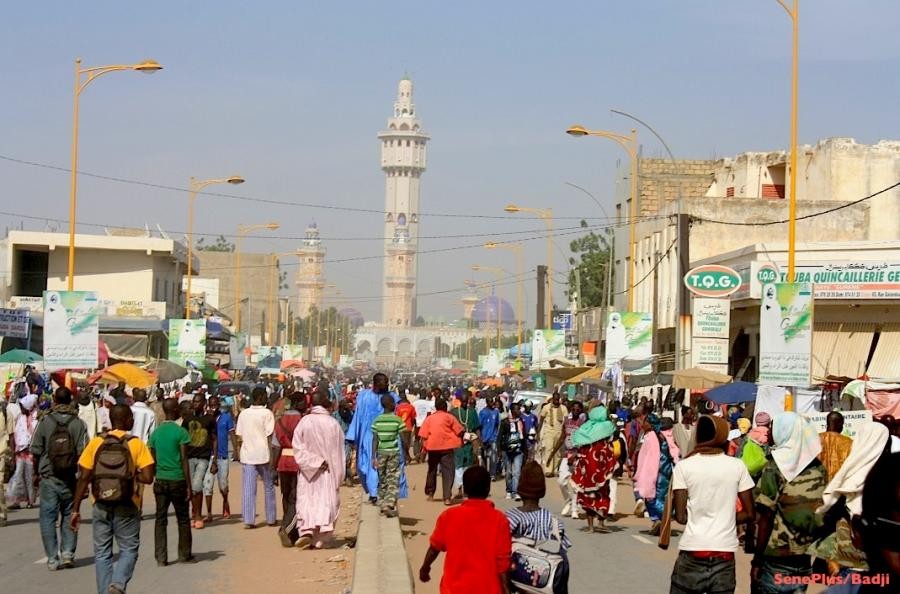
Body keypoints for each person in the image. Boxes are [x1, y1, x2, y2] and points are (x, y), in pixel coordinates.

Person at [71, 405, 155, 594]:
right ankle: (117, 584)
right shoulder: (136, 443)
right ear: (127, 420)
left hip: (100, 503)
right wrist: (131, 476)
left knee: (102, 553)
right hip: (127, 503)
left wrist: (75, 509)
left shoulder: (96, 443)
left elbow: (84, 476)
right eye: (131, 418)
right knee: (129, 549)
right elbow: (148, 477)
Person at [670, 415, 756, 594]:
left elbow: (681, 517)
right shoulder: (737, 466)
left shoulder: (684, 467)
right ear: (723, 436)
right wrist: (724, 518)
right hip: (724, 554)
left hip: (692, 551)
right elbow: (750, 513)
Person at [752, 412, 827, 593]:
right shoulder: (818, 468)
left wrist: (757, 560)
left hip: (776, 557)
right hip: (804, 556)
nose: (770, 431)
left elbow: (766, 517)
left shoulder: (774, 467)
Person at [811, 422, 890, 578]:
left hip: (850, 558)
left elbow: (827, 506)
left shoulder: (848, 475)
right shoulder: (890, 475)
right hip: (882, 559)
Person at [419, 466, 512, 594]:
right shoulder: (500, 520)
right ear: (488, 488)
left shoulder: (449, 516)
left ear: (465, 490)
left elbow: (435, 547)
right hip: (488, 589)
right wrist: (506, 590)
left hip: (453, 589)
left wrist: (425, 567)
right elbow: (502, 562)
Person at [29, 386, 88, 570]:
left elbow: (36, 450)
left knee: (47, 518)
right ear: (70, 399)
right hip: (70, 477)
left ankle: (53, 558)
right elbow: (83, 453)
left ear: (54, 399)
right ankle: (68, 553)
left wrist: (35, 473)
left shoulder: (45, 420)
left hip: (49, 476)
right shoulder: (78, 422)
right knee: (70, 513)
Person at [291, 391, 346, 549]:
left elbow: (298, 448)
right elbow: (339, 452)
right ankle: (319, 540)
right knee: (326, 503)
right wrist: (338, 473)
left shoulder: (304, 422)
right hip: (329, 472)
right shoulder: (333, 424)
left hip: (309, 473)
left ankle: (307, 531)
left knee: (307, 502)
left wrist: (313, 462)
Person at [506, 461, 571, 594]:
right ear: (542, 491)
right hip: (544, 586)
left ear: (520, 489)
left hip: (518, 587)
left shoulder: (510, 518)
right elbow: (563, 557)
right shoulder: (554, 522)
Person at [148, 398, 193, 566]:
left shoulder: (156, 433)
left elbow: (151, 456)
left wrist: (156, 473)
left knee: (160, 519)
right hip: (177, 480)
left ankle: (161, 557)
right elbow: (184, 459)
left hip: (161, 480)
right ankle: (184, 555)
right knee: (182, 518)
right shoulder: (181, 432)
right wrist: (188, 485)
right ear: (175, 411)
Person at [347, 373, 404, 504]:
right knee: (368, 465)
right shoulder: (364, 396)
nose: (385, 386)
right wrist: (352, 436)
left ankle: (376, 493)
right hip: (368, 435)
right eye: (383, 383)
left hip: (389, 436)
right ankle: (375, 492)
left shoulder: (392, 397)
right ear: (375, 383)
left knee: (387, 466)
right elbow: (358, 416)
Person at [565, 404, 617, 532]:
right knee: (603, 494)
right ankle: (601, 523)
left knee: (587, 495)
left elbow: (579, 447)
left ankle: (590, 526)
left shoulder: (585, 428)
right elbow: (610, 446)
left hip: (586, 469)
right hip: (601, 467)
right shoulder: (607, 427)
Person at [235, 386, 276, 529]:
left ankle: (249, 520)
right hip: (264, 454)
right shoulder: (267, 413)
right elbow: (270, 436)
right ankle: (271, 518)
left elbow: (239, 434)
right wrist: (272, 457)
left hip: (248, 455)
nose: (266, 398)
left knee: (248, 488)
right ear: (260, 397)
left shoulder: (244, 414)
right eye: (265, 396)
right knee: (269, 487)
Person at [271, 392, 304, 546]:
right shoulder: (302, 421)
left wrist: (273, 468)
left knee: (286, 496)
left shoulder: (279, 421)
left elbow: (276, 447)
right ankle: (288, 528)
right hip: (298, 461)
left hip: (283, 462)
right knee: (296, 498)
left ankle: (289, 526)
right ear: (298, 404)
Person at [180, 393, 217, 529]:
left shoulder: (210, 419)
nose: (195, 404)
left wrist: (215, 459)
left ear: (203, 403)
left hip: (203, 457)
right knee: (190, 487)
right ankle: (194, 512)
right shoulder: (187, 419)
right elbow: (182, 440)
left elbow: (214, 439)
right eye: (193, 402)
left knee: (197, 485)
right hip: (189, 457)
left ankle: (198, 516)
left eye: (197, 402)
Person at [634, 413, 675, 535]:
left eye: (645, 422)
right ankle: (660, 520)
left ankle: (660, 519)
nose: (642, 424)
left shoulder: (649, 436)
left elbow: (644, 455)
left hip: (653, 471)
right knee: (661, 497)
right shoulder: (666, 436)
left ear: (650, 424)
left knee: (650, 497)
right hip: (665, 471)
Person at [419, 398, 465, 505]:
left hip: (432, 448)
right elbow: (459, 430)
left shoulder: (430, 418)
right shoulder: (450, 417)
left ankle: (430, 494)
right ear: (445, 407)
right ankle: (447, 497)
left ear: (436, 408)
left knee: (432, 471)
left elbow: (423, 435)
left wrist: (424, 449)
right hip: (447, 448)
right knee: (448, 472)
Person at [550, 400, 587, 518]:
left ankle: (575, 510)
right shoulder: (566, 421)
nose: (576, 411)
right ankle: (568, 501)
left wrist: (576, 454)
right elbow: (562, 437)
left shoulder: (582, 424)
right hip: (566, 455)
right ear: (571, 409)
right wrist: (552, 454)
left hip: (577, 456)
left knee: (575, 484)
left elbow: (584, 441)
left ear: (581, 411)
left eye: (578, 409)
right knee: (561, 481)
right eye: (574, 409)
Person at [372, 393, 406, 517]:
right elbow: (403, 438)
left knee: (382, 479)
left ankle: (382, 505)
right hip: (394, 452)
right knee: (393, 478)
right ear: (392, 405)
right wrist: (407, 453)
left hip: (381, 453)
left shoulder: (377, 420)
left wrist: (373, 457)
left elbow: (375, 440)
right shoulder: (397, 420)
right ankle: (389, 503)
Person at [202, 395, 235, 522]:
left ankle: (225, 501)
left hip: (222, 456)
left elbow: (231, 433)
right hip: (208, 456)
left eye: (215, 405)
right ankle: (209, 513)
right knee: (207, 485)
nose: (213, 407)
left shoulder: (226, 417)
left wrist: (236, 451)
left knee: (223, 485)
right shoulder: (205, 419)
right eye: (211, 405)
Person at [8, 391, 39, 509]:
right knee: (18, 476)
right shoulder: (20, 418)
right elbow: (17, 434)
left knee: (29, 477)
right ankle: (16, 500)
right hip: (20, 452)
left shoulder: (35, 419)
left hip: (30, 452)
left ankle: (30, 501)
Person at [451, 395, 481, 499]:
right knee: (458, 466)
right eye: (462, 401)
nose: (464, 403)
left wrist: (478, 441)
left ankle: (467, 489)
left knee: (468, 465)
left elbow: (477, 427)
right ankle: (459, 489)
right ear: (460, 401)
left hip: (469, 442)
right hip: (457, 442)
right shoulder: (454, 412)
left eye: (466, 401)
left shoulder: (472, 411)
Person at [498, 402, 528, 500]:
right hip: (506, 451)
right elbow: (499, 437)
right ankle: (509, 491)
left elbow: (524, 437)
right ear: (512, 410)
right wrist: (499, 450)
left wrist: (526, 451)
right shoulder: (505, 422)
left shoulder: (521, 422)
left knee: (517, 472)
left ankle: (516, 492)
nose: (519, 411)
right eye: (517, 409)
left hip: (518, 451)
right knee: (508, 472)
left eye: (519, 409)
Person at [818, 411, 853, 483]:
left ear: (827, 423)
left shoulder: (814, 440)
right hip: (839, 485)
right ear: (840, 424)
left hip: (817, 484)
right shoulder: (849, 442)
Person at [538, 393, 568, 477]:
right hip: (548, 431)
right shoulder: (546, 407)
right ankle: (548, 470)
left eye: (558, 399)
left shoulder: (563, 408)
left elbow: (566, 420)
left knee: (557, 451)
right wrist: (538, 432)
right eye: (555, 399)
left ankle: (555, 470)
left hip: (559, 431)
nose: (556, 401)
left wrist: (565, 431)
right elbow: (541, 420)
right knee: (548, 449)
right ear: (552, 399)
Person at [479, 397, 501, 480]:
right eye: (490, 402)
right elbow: (480, 425)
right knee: (484, 456)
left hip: (493, 438)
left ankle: (492, 474)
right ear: (487, 402)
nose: (492, 403)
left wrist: (496, 434)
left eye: (493, 401)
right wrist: (480, 437)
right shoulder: (482, 412)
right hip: (484, 437)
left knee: (493, 456)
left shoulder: (496, 412)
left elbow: (497, 424)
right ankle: (484, 473)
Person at [333, 398, 354, 484]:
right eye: (343, 409)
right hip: (337, 440)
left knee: (347, 459)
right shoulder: (335, 415)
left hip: (347, 440)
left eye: (346, 409)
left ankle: (348, 477)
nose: (345, 411)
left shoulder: (351, 415)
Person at [412, 388, 437, 458]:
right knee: (424, 439)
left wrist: (414, 422)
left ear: (419, 395)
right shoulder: (427, 403)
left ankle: (416, 453)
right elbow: (429, 413)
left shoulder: (414, 403)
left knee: (417, 438)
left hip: (417, 423)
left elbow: (413, 414)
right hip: (425, 424)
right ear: (425, 395)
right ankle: (422, 454)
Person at [0, 394, 12, 526]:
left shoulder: (5, 412)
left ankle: (2, 515)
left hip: (1, 454)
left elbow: (11, 435)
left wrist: (12, 454)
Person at [395, 393, 416, 463]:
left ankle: (406, 457)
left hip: (400, 427)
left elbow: (396, 418)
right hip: (408, 427)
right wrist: (412, 424)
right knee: (407, 443)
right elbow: (413, 417)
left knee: (402, 443)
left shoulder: (397, 408)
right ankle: (407, 457)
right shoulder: (411, 407)